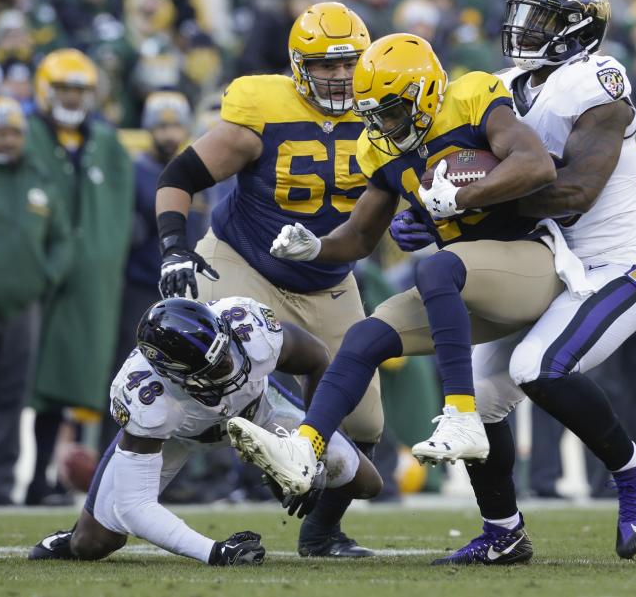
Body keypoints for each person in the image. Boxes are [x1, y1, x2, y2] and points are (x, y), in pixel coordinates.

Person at [226, 31, 568, 510]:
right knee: (366, 336)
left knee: (435, 269)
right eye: (372, 114)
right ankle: (305, 449)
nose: (381, 125)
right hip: (465, 281)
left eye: (390, 111)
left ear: (424, 93)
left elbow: (537, 167)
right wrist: (316, 247)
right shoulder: (381, 147)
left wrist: (464, 198)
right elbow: (361, 237)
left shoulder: (472, 97)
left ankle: (461, 412)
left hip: (529, 265)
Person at [415, 0, 636, 564]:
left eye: (544, 19)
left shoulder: (596, 81)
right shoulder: (503, 87)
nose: (525, 28)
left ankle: (633, 470)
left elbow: (575, 191)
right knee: (473, 394)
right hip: (543, 265)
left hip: (613, 267)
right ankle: (503, 531)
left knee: (539, 367)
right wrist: (428, 212)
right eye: (524, 14)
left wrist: (472, 196)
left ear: (579, 30)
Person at [153, 1, 384, 558]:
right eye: (323, 64)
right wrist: (173, 248)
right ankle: (123, 497)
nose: (337, 76)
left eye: (347, 62)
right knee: (228, 368)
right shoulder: (265, 108)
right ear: (297, 64)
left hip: (329, 274)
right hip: (243, 260)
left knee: (364, 418)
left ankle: (321, 530)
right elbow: (180, 174)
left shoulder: (385, 109)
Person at [29, 296, 381, 565]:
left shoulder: (250, 329)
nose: (229, 367)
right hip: (176, 437)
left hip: (259, 409)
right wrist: (215, 552)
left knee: (365, 482)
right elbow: (135, 507)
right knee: (92, 544)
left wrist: (308, 447)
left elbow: (317, 359)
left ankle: (319, 534)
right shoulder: (146, 395)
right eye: (212, 368)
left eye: (225, 353)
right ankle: (74, 531)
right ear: (173, 373)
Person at [26, 48, 134, 505]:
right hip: (32, 281)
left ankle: (43, 481)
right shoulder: (26, 135)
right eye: (65, 88)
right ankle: (23, 478)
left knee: (74, 383)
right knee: (26, 384)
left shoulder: (104, 142)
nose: (72, 98)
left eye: (80, 89)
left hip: (90, 285)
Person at [99, 91, 207, 453]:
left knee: (187, 381)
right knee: (127, 374)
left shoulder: (197, 172)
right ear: (147, 128)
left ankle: (177, 469)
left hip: (185, 293)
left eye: (175, 124)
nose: (169, 133)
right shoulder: (135, 172)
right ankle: (111, 453)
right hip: (142, 286)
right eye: (161, 125)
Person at [0, 96, 71, 505]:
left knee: (11, 397)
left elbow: (61, 240)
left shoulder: (40, 181)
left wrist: (44, 277)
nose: (7, 140)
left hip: (25, 307)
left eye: (14, 133)